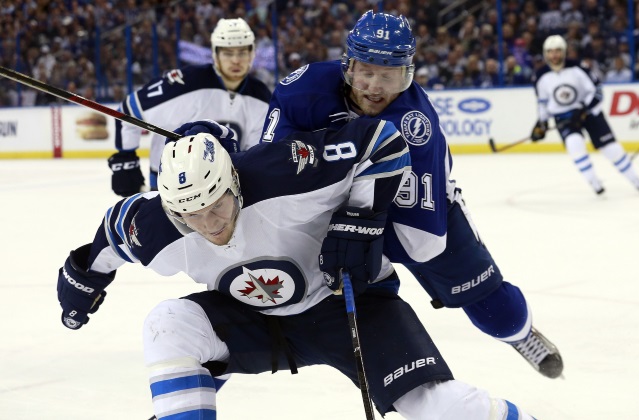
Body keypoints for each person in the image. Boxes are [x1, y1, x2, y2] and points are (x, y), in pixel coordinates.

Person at [56, 120, 536, 419]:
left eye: (217, 206)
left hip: (347, 302)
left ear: (232, 181)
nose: (209, 226)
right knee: (168, 323)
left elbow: (383, 143)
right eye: (191, 217)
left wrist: (359, 222)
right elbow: (108, 241)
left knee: (438, 408)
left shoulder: (284, 171)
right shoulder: (156, 223)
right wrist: (79, 287)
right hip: (254, 319)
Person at [262, 10, 564, 379]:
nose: (375, 86)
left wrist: (361, 235)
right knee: (260, 277)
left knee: (492, 308)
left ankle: (520, 335)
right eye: (366, 72)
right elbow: (271, 163)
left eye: (389, 76)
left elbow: (422, 244)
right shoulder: (304, 89)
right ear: (348, 66)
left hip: (419, 212)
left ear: (407, 74)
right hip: (331, 205)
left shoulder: (415, 127)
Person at [108, 17, 271, 197]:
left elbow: (257, 153)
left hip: (228, 196)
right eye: (227, 53)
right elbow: (130, 111)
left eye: (242, 53)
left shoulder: (261, 97)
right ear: (215, 54)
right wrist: (126, 159)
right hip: (171, 193)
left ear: (252, 53)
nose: (235, 60)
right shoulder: (185, 83)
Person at [531, 35, 639, 194]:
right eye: (550, 52)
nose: (554, 55)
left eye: (557, 51)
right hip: (564, 118)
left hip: (590, 113)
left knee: (611, 148)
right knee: (574, 145)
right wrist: (541, 123)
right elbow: (543, 102)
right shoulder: (540, 76)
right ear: (545, 53)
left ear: (564, 52)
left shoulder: (578, 67)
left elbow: (598, 92)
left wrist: (583, 110)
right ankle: (595, 184)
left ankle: (636, 181)